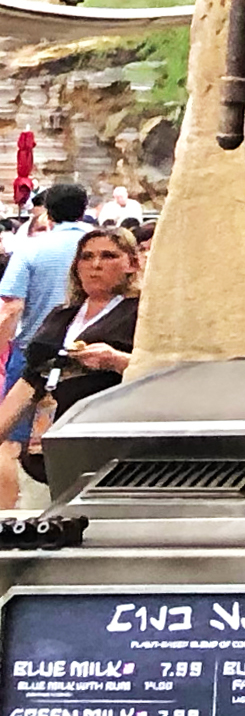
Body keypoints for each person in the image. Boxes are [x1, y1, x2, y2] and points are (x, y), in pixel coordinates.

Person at [0, 222, 137, 445]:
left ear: (131, 264)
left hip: (106, 434)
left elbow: (161, 371)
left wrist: (117, 360)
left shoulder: (139, 312)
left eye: (108, 256)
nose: (96, 264)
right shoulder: (62, 315)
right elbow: (29, 380)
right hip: (49, 431)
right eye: (86, 256)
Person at [0, 184, 89, 505]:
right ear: (84, 208)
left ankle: (10, 514)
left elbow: (12, 306)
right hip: (92, 349)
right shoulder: (103, 245)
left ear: (47, 212)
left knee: (13, 441)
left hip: (34, 350)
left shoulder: (32, 248)